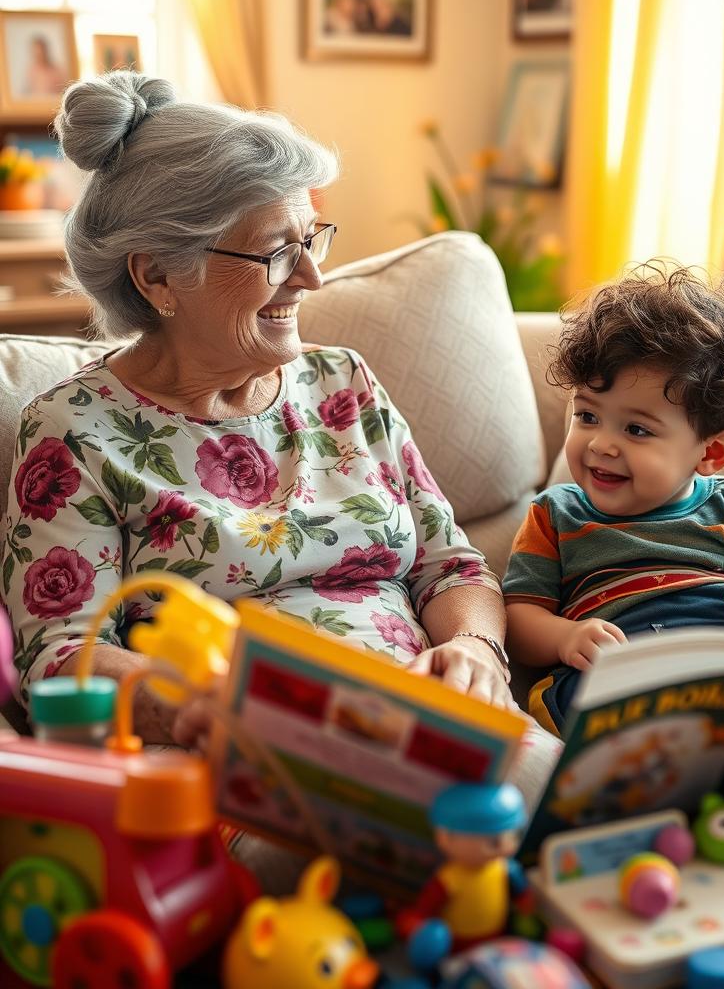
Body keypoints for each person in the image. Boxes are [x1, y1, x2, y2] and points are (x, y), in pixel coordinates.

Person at [3, 72, 517, 755]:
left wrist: (477, 651)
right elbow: (63, 658)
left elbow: (451, 566)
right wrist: (202, 710)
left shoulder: (345, 383)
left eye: (313, 238)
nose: (312, 277)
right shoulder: (74, 432)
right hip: (251, 760)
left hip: (438, 720)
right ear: (156, 275)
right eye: (277, 251)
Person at [502, 265, 724, 734]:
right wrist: (566, 636)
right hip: (620, 676)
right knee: (571, 700)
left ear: (711, 452)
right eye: (588, 416)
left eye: (636, 429)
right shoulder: (555, 514)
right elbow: (517, 618)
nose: (600, 445)